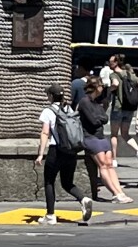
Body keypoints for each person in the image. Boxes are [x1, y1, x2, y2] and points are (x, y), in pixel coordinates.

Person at [34, 83, 93, 225]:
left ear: (50, 96)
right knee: (67, 182)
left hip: (56, 151)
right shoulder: (68, 109)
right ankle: (83, 199)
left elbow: (45, 133)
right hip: (70, 150)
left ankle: (50, 215)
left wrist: (40, 154)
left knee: (49, 181)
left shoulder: (48, 111)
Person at [78, 76, 131, 202]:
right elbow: (94, 121)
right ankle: (115, 193)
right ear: (96, 87)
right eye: (101, 85)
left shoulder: (96, 102)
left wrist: (100, 118)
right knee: (103, 164)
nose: (102, 88)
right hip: (91, 137)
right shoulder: (84, 102)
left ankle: (120, 192)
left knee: (109, 164)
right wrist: (100, 118)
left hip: (101, 137)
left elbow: (104, 118)